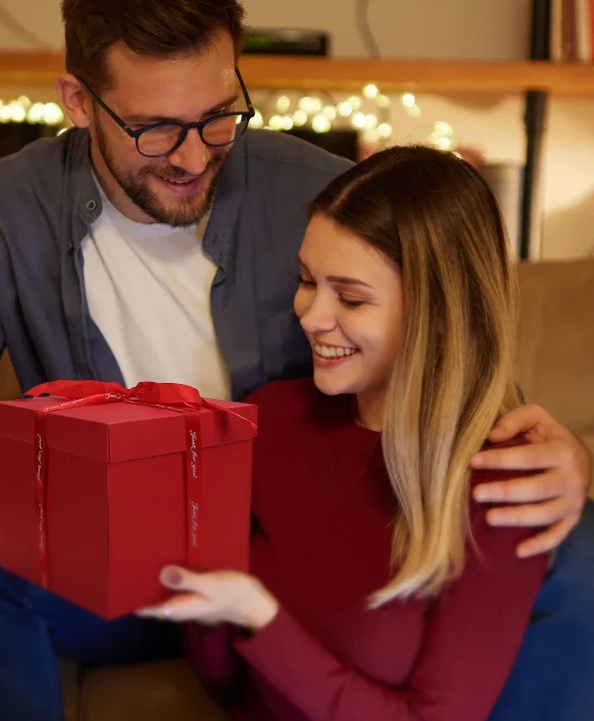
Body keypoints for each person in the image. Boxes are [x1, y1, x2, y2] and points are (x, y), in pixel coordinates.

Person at [0, 0, 592, 721]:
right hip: (116, 569)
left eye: (219, 116)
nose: (196, 156)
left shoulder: (315, 190)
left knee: (570, 549)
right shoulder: (1, 213)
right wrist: (1, 477)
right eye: (157, 129)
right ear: (79, 101)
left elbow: (452, 369)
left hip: (299, 565)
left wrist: (564, 458)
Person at [135, 144, 549, 720]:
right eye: (307, 280)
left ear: (436, 309)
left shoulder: (503, 483)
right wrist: (205, 602)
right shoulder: (271, 421)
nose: (310, 314)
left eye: (350, 297)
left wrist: (261, 617)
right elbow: (228, 685)